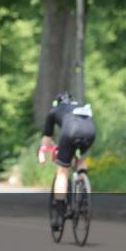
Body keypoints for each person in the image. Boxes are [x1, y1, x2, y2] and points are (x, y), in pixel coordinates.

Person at [39, 92, 96, 227]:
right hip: (90, 130)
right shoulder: (80, 106)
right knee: (80, 159)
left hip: (70, 130)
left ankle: (59, 215)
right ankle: (83, 196)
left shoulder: (54, 111)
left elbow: (47, 140)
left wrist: (45, 149)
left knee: (62, 172)